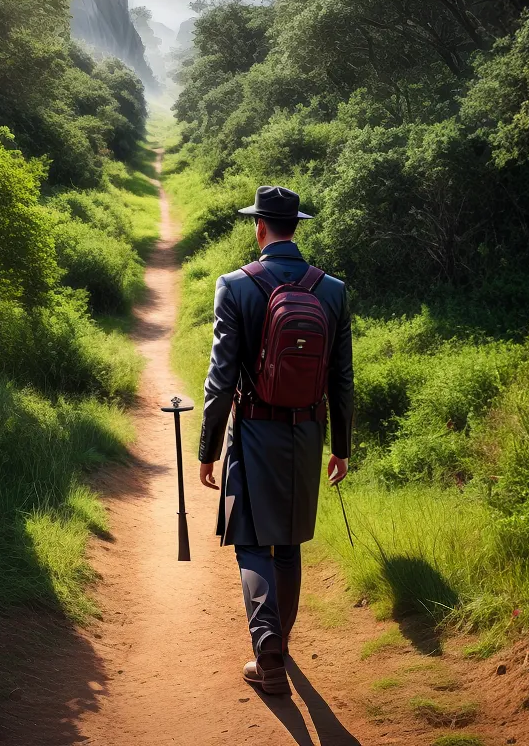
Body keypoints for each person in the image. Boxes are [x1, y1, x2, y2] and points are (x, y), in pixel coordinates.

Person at [198, 185, 354, 695]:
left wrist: (208, 448)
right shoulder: (332, 290)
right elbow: (342, 379)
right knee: (287, 547)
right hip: (307, 434)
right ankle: (278, 648)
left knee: (248, 540)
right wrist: (342, 447)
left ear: (259, 227)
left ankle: (266, 647)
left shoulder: (235, 285)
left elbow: (221, 380)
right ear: (296, 226)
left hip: (252, 432)